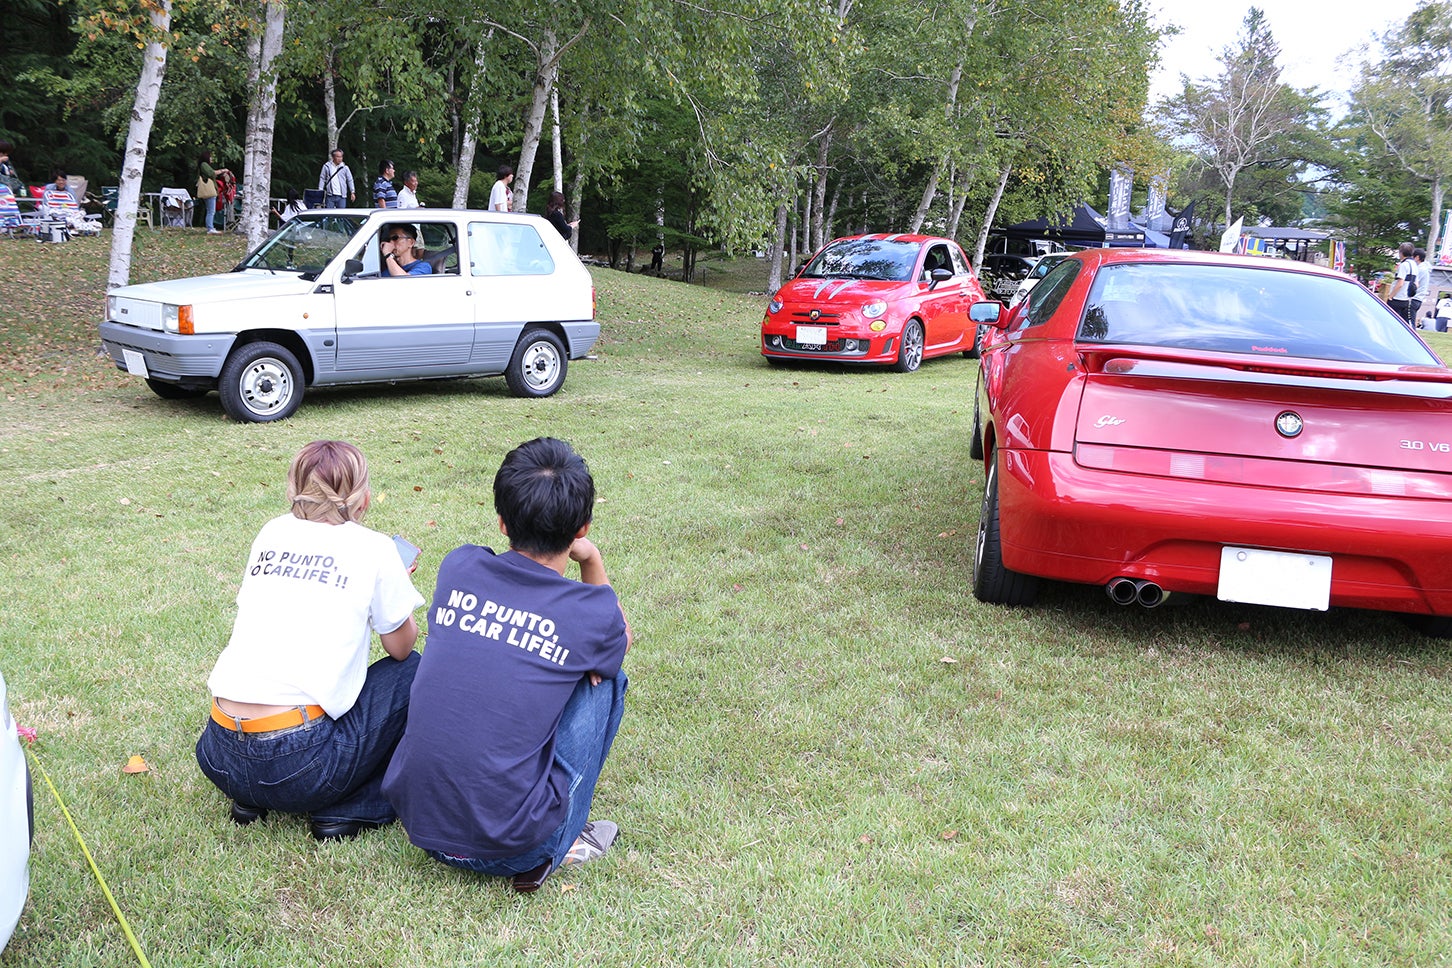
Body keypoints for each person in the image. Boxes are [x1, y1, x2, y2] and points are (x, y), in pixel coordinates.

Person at [383, 437, 631, 894]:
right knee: (608, 678)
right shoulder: (586, 611)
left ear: (501, 522)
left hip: (419, 826)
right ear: (582, 527)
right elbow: (619, 640)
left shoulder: (459, 566)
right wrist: (592, 558)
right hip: (516, 852)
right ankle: (562, 842)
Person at [195, 440, 424, 842]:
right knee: (412, 671)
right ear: (363, 499)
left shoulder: (271, 531)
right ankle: (348, 809)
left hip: (218, 755)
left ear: (293, 490)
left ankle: (251, 797)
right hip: (298, 760)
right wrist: (396, 586)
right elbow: (400, 648)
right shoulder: (375, 549)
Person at [197, 150, 232, 235]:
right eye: (210, 157)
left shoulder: (203, 165)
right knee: (211, 211)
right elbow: (211, 173)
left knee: (210, 210)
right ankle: (210, 228)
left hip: (208, 191)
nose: (212, 158)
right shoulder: (204, 165)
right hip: (209, 190)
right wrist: (223, 170)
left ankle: (210, 227)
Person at [1387, 241, 1417, 324]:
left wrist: (1390, 296)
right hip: (1406, 299)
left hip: (1397, 298)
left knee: (1390, 321)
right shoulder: (1414, 265)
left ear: (1401, 252)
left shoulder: (1404, 265)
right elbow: (1416, 283)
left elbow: (1400, 283)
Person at [1412, 248, 1431, 327]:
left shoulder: (1420, 269)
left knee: (1410, 322)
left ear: (1417, 257)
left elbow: (1414, 284)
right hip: (1418, 299)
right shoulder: (1425, 268)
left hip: (1414, 298)